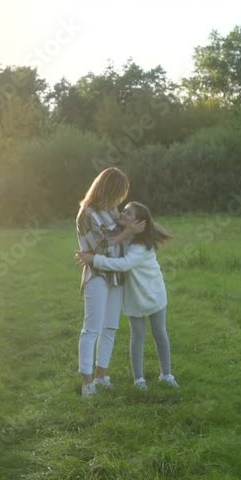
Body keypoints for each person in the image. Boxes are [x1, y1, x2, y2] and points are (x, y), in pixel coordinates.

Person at [76, 201, 177, 391]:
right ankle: (139, 379)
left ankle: (167, 374)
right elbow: (108, 242)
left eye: (128, 213)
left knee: (160, 334)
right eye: (123, 210)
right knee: (137, 337)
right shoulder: (126, 237)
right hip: (133, 298)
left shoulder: (141, 246)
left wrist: (94, 259)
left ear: (138, 222)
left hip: (153, 295)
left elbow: (123, 265)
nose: (121, 214)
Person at [76, 168, 145, 398]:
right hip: (97, 275)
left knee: (111, 327)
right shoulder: (86, 214)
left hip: (116, 274)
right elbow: (101, 246)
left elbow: (123, 234)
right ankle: (87, 385)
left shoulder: (111, 210)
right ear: (108, 189)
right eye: (118, 192)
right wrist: (127, 231)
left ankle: (102, 376)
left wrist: (129, 231)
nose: (120, 199)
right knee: (91, 329)